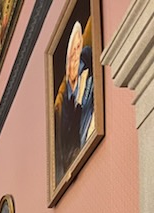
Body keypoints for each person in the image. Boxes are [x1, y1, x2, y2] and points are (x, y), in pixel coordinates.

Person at [55, 21, 95, 182]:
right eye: (73, 50)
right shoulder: (64, 102)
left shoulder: (86, 68)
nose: (75, 54)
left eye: (78, 47)